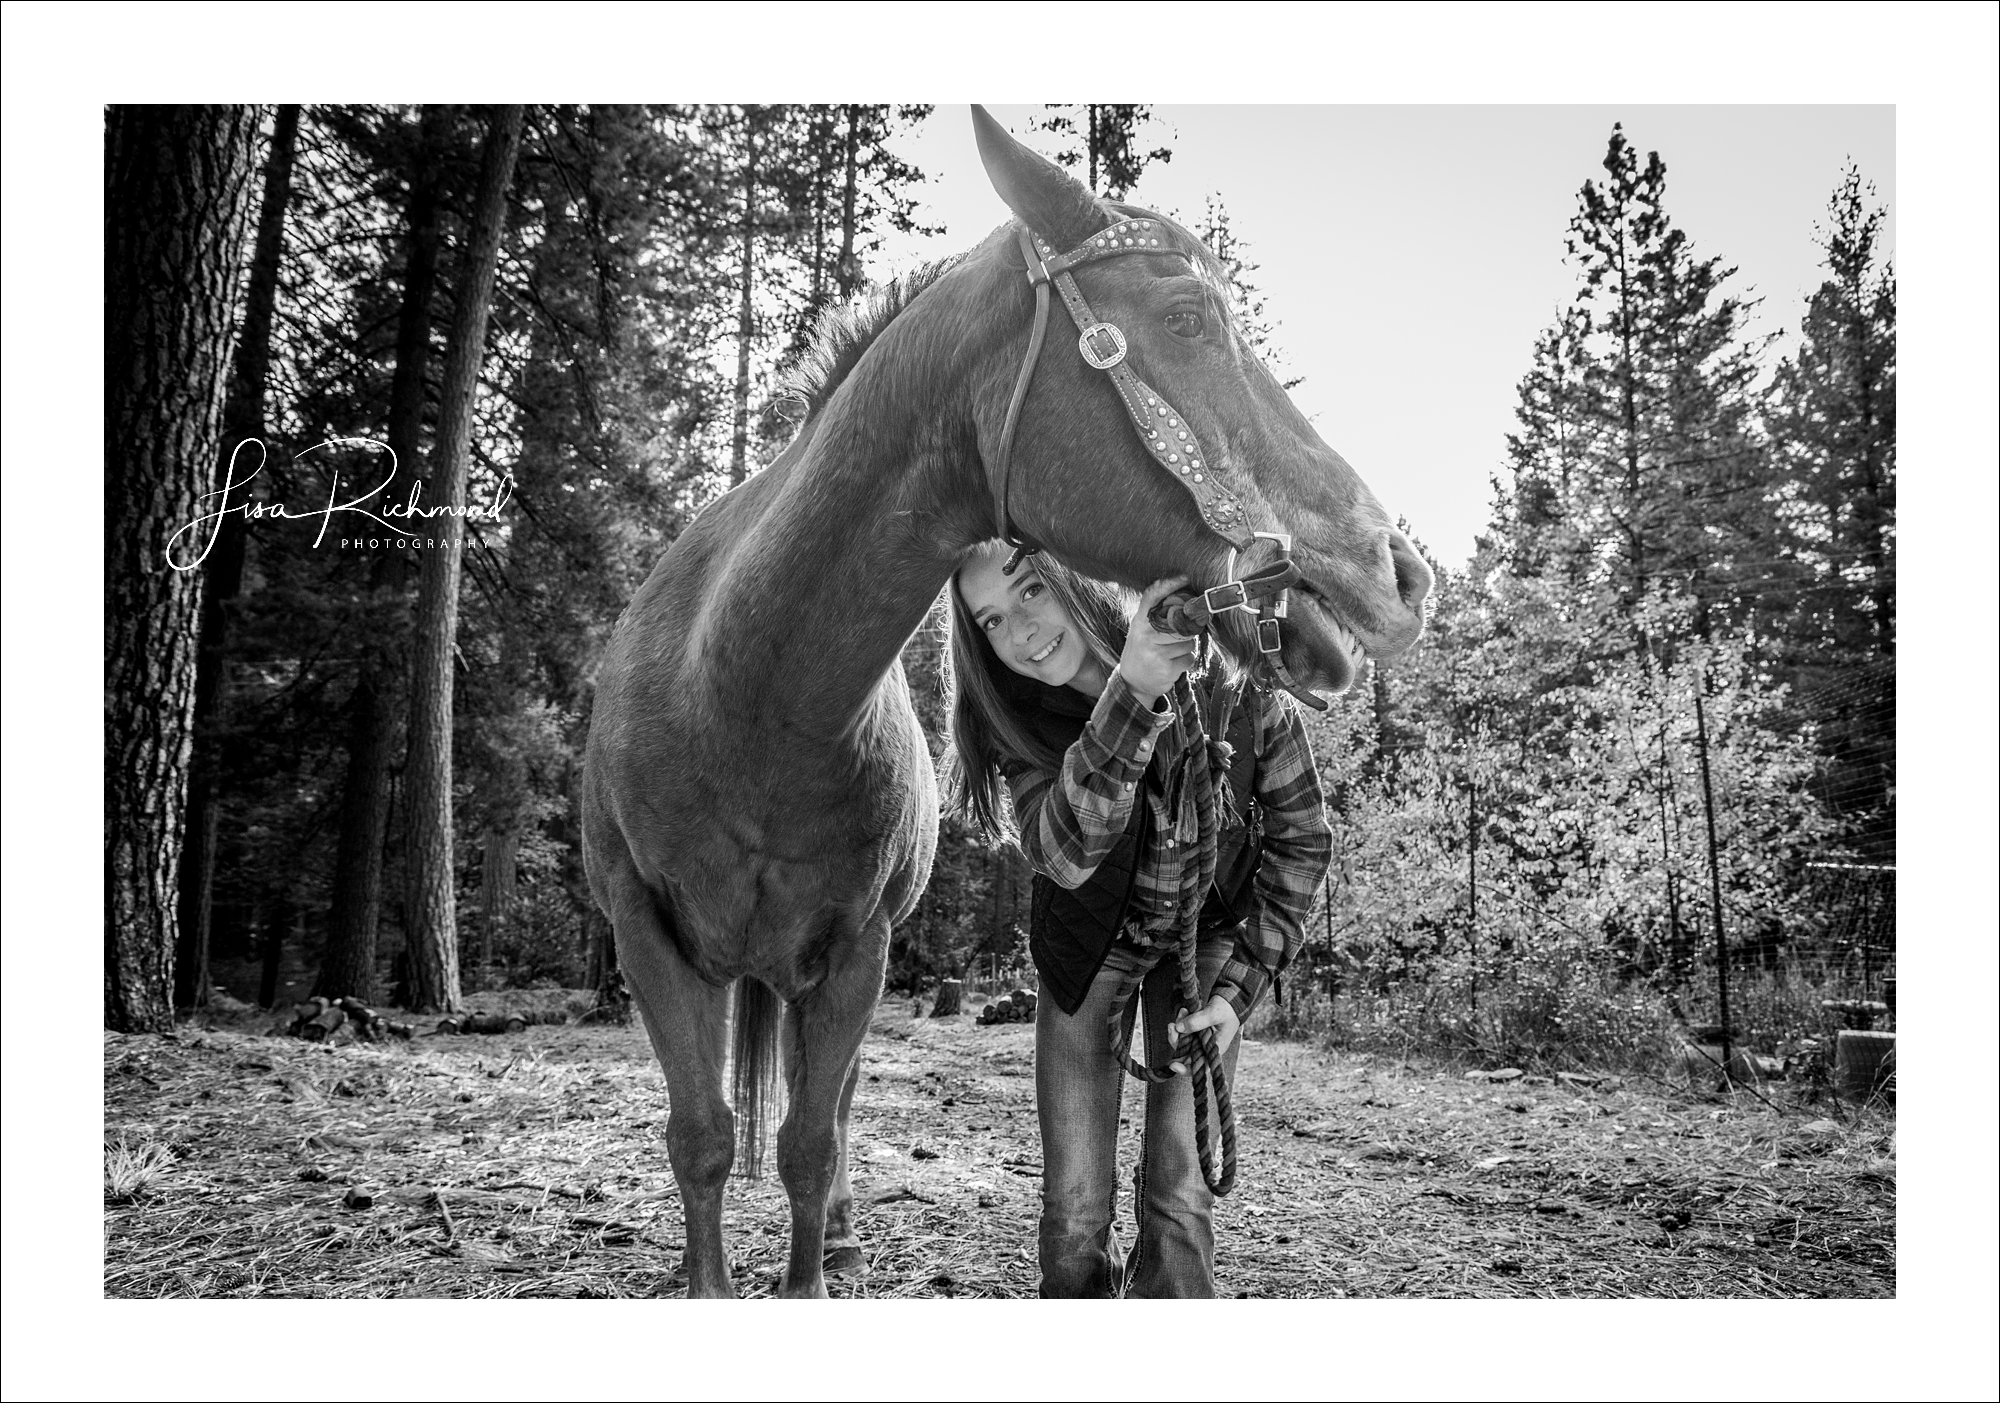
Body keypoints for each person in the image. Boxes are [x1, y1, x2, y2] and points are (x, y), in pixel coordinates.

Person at [944, 540, 1332, 1298]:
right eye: (992, 619)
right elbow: (1066, 852)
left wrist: (1236, 997)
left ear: (1072, 577)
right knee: (1075, 1207)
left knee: (1181, 1188)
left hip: (1208, 939)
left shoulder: (1230, 678)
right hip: (1091, 948)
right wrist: (1132, 691)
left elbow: (1303, 839)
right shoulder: (1018, 724)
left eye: (1030, 592)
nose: (1019, 631)